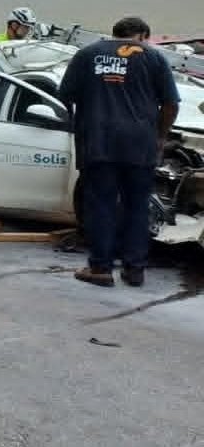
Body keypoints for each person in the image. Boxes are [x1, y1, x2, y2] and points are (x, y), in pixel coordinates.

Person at [59, 16, 180, 288]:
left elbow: (65, 95)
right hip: (140, 145)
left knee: (101, 205)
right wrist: (160, 136)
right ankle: (134, 270)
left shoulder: (87, 54)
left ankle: (101, 268)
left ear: (114, 34)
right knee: (137, 207)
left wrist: (87, 113)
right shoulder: (154, 58)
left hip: (98, 143)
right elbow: (171, 104)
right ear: (143, 35)